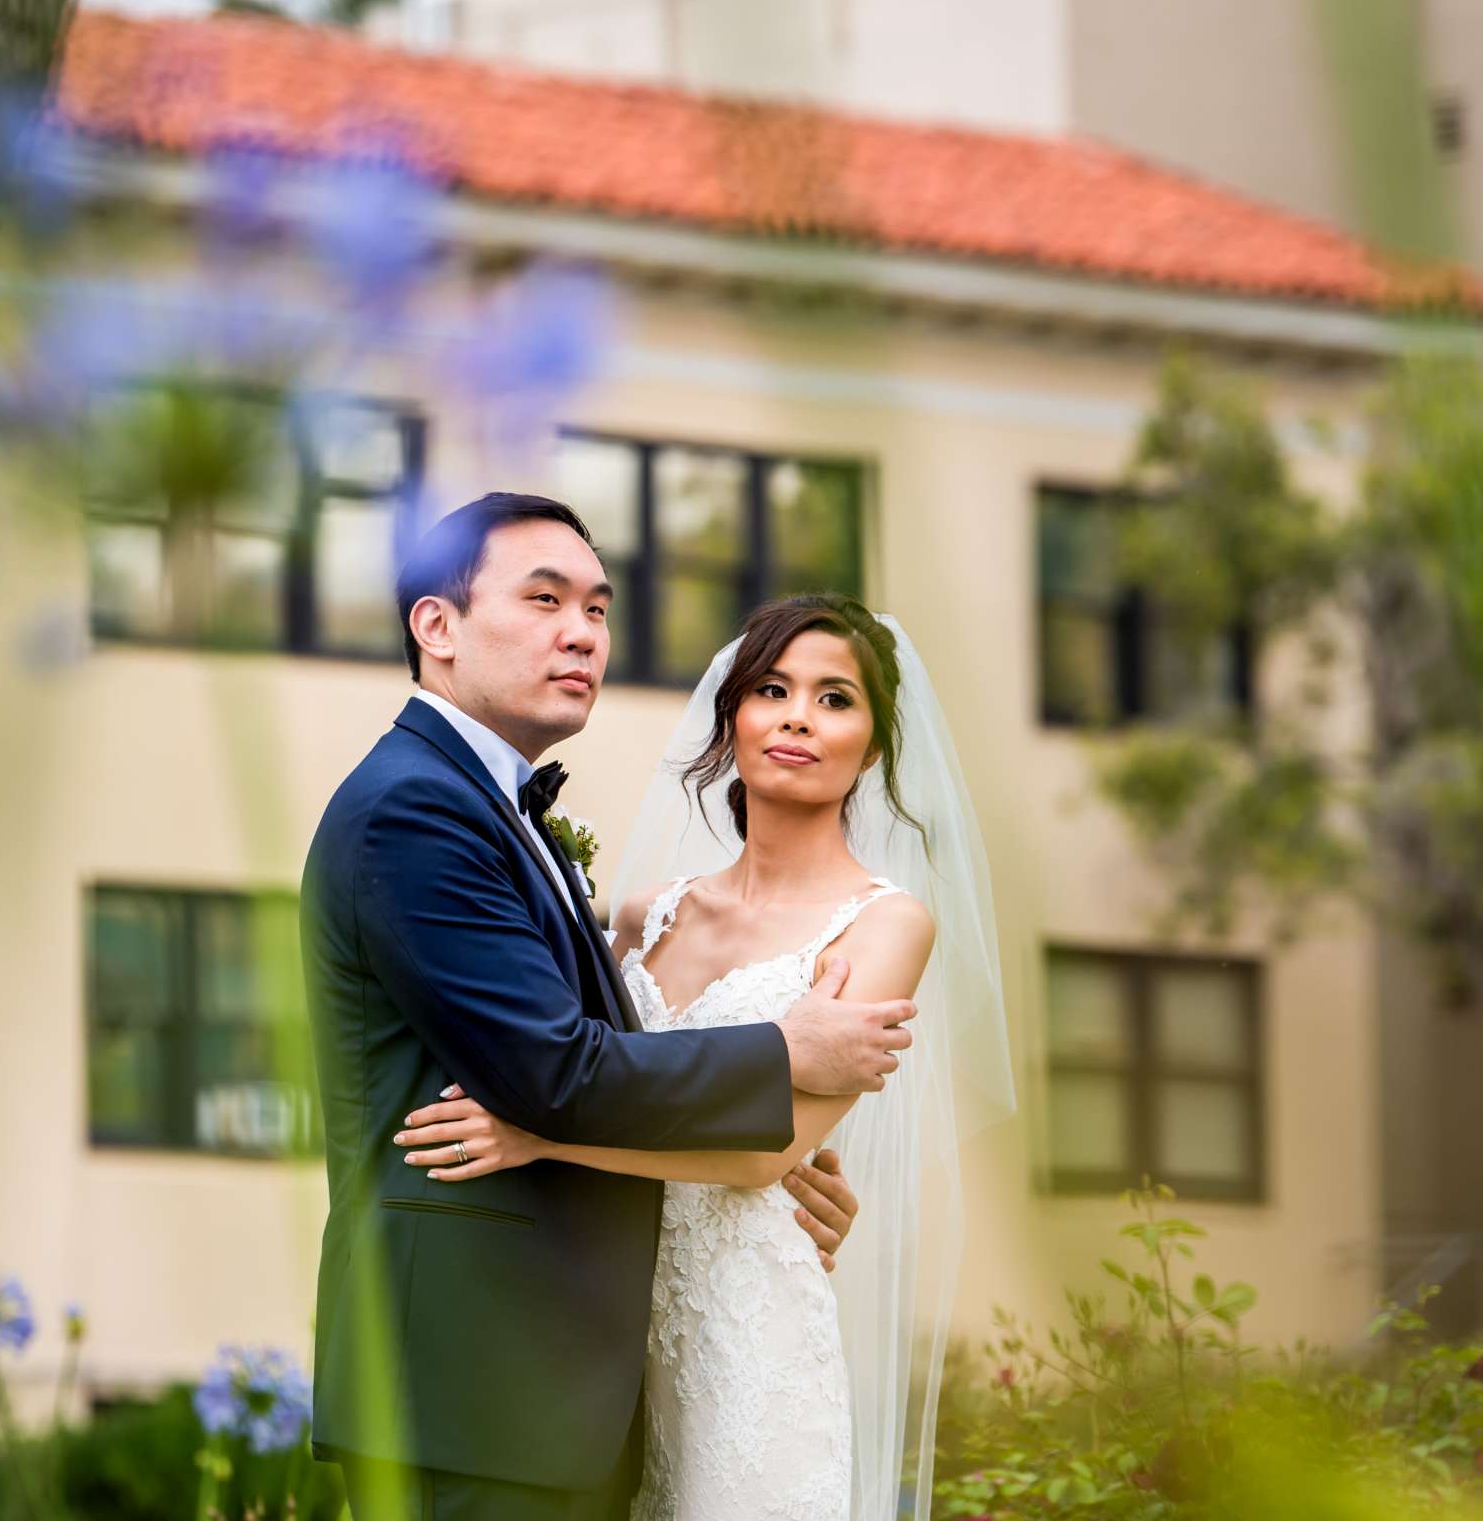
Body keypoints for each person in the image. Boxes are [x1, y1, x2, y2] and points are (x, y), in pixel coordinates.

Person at [300, 494, 919, 1521]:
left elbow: (624, 1089)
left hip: (592, 1375)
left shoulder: (493, 807)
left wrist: (768, 1184)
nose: (582, 630)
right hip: (478, 1384)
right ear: (436, 625)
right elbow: (554, 1072)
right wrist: (784, 1049)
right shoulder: (417, 808)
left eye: (597, 606)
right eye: (544, 599)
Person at [397, 592, 1017, 1520]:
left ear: (877, 743)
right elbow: (581, 1063)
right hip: (605, 1331)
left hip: (750, 1343)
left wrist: (540, 1138)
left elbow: (761, 1153)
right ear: (733, 716)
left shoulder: (886, 925)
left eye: (836, 698)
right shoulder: (647, 914)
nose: (800, 716)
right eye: (773, 689)